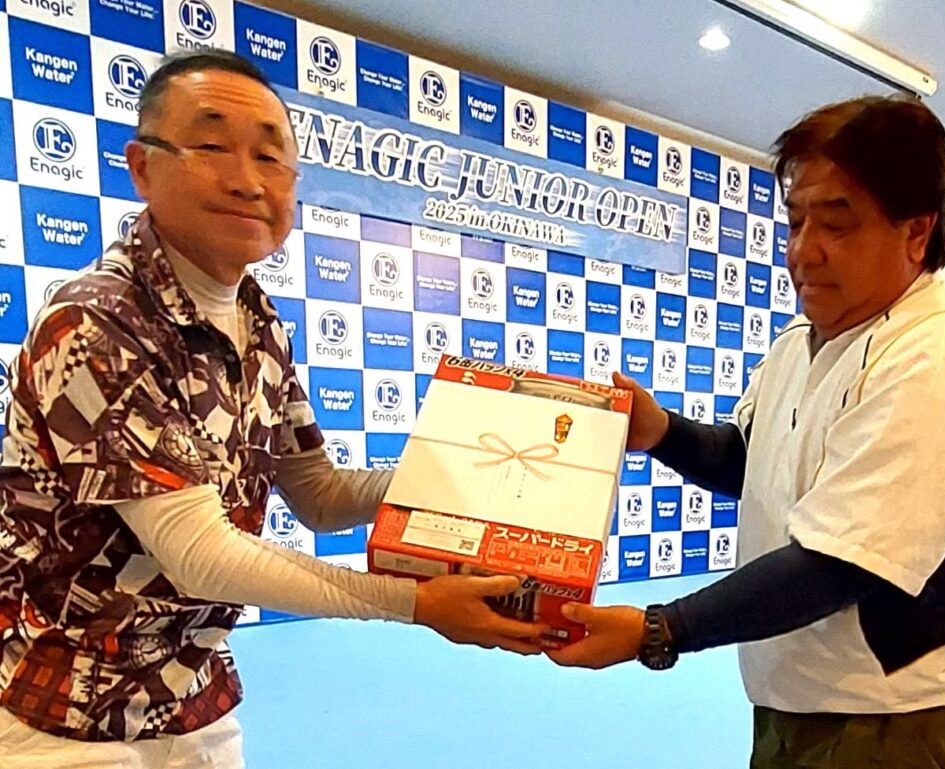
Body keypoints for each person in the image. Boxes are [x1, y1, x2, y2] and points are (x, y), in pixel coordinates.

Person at [0, 50, 544, 767]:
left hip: (192, 692)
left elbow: (318, 493)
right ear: (142, 167)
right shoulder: (96, 322)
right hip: (61, 710)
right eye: (211, 146)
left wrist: (458, 477)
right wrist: (414, 602)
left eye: (270, 156)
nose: (247, 180)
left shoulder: (258, 323)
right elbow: (201, 556)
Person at [548, 95, 945, 768]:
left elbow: (840, 564)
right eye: (795, 221)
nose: (803, 250)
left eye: (837, 224)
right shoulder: (805, 338)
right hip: (806, 693)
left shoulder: (933, 360)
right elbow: (752, 460)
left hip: (903, 714)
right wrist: (662, 433)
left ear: (916, 234)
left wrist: (659, 629)